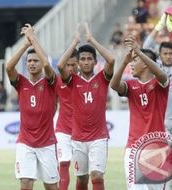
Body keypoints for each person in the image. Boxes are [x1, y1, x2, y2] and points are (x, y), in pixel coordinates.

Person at [57, 23, 115, 190]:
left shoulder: (102, 78)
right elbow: (61, 66)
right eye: (82, 59)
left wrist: (91, 40)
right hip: (78, 139)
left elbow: (111, 60)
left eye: (90, 58)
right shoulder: (73, 80)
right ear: (78, 62)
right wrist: (75, 42)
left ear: (96, 61)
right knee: (81, 179)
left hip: (98, 137)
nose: (86, 62)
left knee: (96, 175)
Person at [110, 35, 169, 189]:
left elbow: (162, 75)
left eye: (135, 61)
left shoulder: (159, 84)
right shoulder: (131, 85)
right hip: (133, 148)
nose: (132, 64)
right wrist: (124, 62)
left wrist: (139, 51)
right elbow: (114, 85)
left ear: (144, 64)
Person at [5, 23, 59, 190]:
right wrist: (25, 45)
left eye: (36, 60)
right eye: (29, 61)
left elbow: (48, 66)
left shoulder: (50, 82)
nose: (32, 63)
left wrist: (34, 39)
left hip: (47, 142)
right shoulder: (21, 83)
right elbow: (8, 67)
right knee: (26, 184)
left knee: (51, 187)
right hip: (25, 143)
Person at [143, 13, 172, 190]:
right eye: (165, 53)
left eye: (171, 53)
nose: (168, 56)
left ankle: (169, 188)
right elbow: (146, 47)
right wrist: (159, 26)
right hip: (159, 120)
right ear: (159, 55)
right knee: (157, 156)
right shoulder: (156, 69)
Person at [55, 48, 78, 190]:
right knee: (63, 163)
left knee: (82, 172)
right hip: (63, 129)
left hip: (82, 132)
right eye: (67, 65)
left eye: (73, 64)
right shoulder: (58, 81)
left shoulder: (85, 80)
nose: (70, 68)